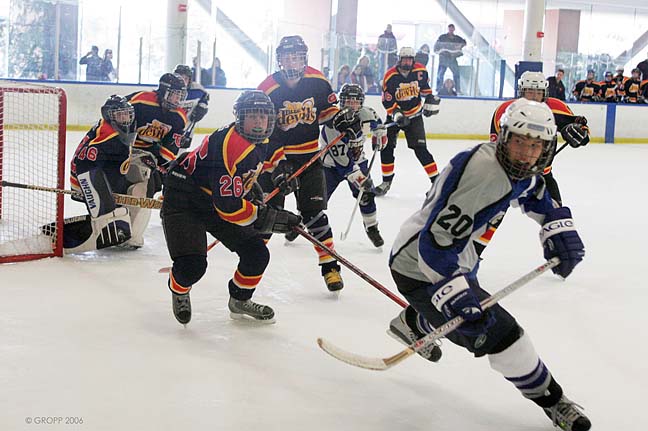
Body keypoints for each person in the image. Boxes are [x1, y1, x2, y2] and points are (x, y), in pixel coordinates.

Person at [388, 99, 590, 431]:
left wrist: (554, 222)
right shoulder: (483, 174)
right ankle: (552, 400)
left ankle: (414, 321)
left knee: (468, 323)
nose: (526, 154)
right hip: (419, 268)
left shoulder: (511, 165)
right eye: (520, 142)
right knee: (499, 334)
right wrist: (455, 294)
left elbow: (533, 189)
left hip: (459, 257)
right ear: (505, 138)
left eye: (535, 146)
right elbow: (434, 244)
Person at [161, 90, 301, 325]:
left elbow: (254, 165)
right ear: (240, 118)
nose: (259, 122)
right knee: (192, 267)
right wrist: (266, 217)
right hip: (185, 198)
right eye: (252, 116)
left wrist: (277, 176)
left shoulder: (260, 138)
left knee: (256, 254)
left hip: (214, 196)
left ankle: (239, 300)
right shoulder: (230, 145)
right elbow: (228, 208)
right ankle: (179, 288)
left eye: (263, 116)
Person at [257, 35, 362, 292]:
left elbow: (327, 113)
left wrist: (341, 121)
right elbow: (262, 132)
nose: (292, 62)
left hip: (309, 159)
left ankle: (330, 267)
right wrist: (278, 165)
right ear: (279, 60)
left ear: (304, 58)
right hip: (275, 161)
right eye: (287, 57)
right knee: (266, 219)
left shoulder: (318, 81)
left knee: (314, 215)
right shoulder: (267, 88)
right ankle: (251, 265)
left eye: (296, 57)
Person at [490, 71, 590, 205]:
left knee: (557, 215)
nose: (534, 97)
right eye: (530, 91)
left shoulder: (555, 108)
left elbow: (582, 128)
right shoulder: (504, 111)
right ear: (521, 91)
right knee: (487, 214)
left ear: (545, 93)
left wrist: (579, 134)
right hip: (508, 175)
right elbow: (495, 148)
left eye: (538, 92)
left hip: (543, 176)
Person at [60, 95, 136, 253]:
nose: (125, 119)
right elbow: (85, 164)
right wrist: (103, 196)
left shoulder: (110, 128)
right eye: (120, 115)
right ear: (109, 116)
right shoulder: (108, 137)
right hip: (84, 178)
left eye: (127, 114)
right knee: (109, 212)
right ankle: (101, 224)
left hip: (98, 172)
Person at [122, 73, 188, 247]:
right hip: (123, 148)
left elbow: (168, 151)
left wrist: (160, 167)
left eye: (180, 96)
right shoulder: (141, 100)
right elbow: (115, 116)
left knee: (146, 184)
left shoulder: (179, 117)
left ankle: (132, 232)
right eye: (173, 94)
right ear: (163, 91)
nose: (177, 100)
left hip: (146, 154)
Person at [320, 83, 388, 247]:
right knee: (316, 199)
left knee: (366, 195)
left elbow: (378, 124)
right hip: (331, 167)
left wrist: (380, 135)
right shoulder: (332, 125)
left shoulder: (366, 113)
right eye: (348, 101)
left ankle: (371, 227)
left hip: (358, 161)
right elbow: (343, 162)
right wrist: (360, 179)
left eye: (355, 101)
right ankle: (302, 223)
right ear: (341, 102)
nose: (351, 105)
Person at [374, 46, 441, 197]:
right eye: (404, 59)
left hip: (415, 115)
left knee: (421, 149)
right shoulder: (390, 76)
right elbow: (387, 100)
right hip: (394, 116)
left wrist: (430, 103)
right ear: (399, 60)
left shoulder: (420, 71)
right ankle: (386, 182)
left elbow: (426, 91)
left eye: (410, 59)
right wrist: (397, 115)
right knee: (386, 148)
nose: (407, 62)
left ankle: (437, 183)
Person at [174, 64, 210, 148]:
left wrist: (202, 108)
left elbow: (205, 99)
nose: (183, 81)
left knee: (182, 150)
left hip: (188, 127)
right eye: (180, 78)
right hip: (171, 126)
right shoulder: (170, 89)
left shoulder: (198, 90)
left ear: (190, 80)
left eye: (186, 78)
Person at [434, 24, 466, 93]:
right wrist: (441, 50)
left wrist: (459, 46)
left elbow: (464, 42)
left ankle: (457, 89)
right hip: (444, 58)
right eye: (450, 28)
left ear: (454, 29)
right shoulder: (442, 37)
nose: (451, 30)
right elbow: (437, 45)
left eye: (452, 28)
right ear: (448, 29)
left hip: (452, 58)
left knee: (456, 74)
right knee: (440, 74)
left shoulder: (457, 38)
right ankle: (438, 88)